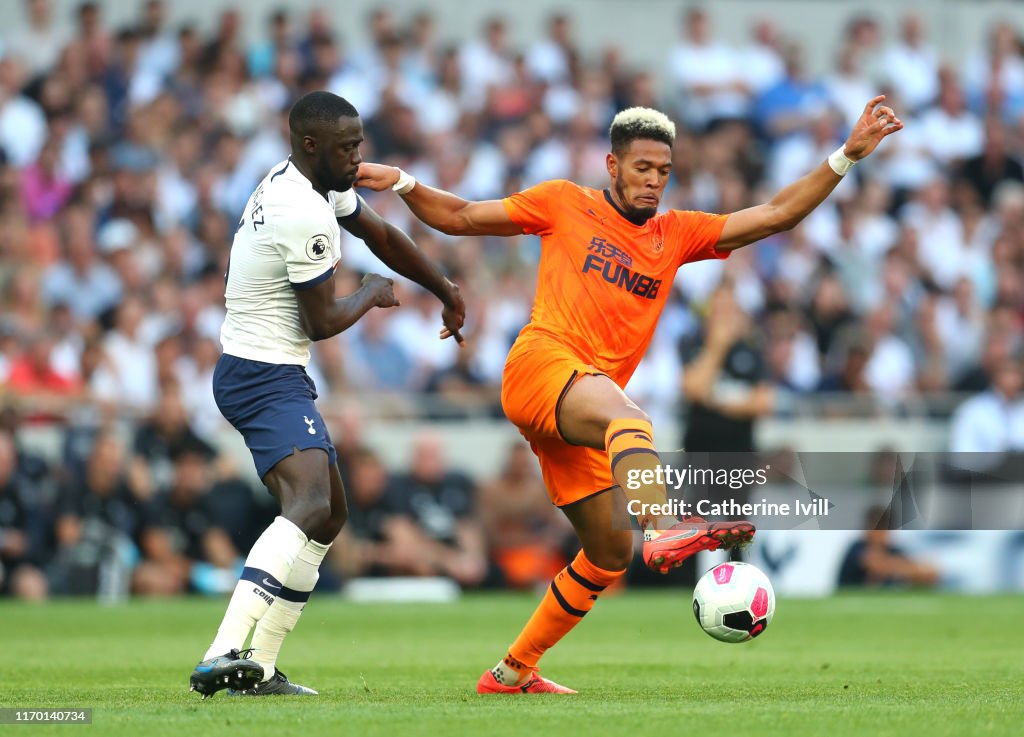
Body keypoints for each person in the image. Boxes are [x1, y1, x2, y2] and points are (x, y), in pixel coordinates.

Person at [356, 94, 901, 694]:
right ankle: (664, 524)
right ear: (613, 166)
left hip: (583, 402)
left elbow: (774, 214)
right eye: (643, 168)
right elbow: (459, 215)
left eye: (664, 172)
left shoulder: (676, 235)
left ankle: (513, 671)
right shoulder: (564, 202)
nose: (654, 182)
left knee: (609, 553)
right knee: (629, 421)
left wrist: (846, 156)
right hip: (541, 364)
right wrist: (405, 182)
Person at [188, 90, 465, 699]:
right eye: (346, 147)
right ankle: (224, 649)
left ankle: (258, 668)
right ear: (311, 145)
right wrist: (370, 293)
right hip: (263, 373)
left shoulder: (308, 181)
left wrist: (443, 286)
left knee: (330, 513)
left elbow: (382, 234)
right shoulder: (300, 210)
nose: (357, 157)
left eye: (359, 144)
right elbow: (321, 320)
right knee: (310, 503)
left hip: (264, 369)